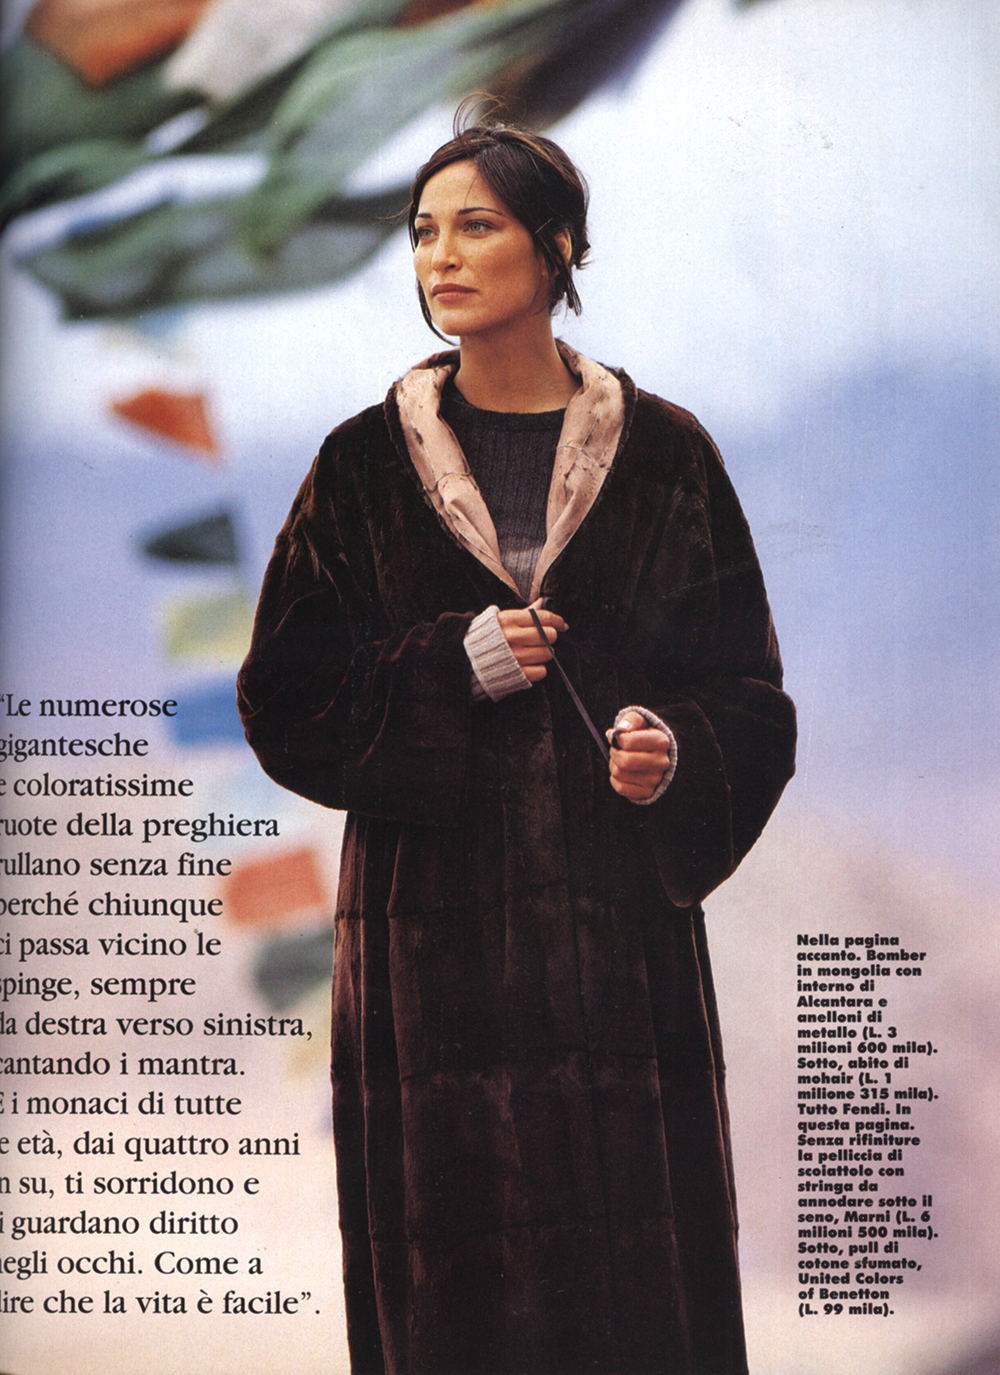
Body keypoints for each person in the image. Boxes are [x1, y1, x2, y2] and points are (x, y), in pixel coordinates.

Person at [237, 110, 796, 1375]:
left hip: (618, 960)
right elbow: (281, 697)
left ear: (557, 249)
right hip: (427, 966)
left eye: (475, 226)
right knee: (453, 1302)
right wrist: (451, 665)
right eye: (422, 231)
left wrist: (676, 749)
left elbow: (751, 696)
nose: (439, 255)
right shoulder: (359, 468)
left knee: (636, 1307)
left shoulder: (665, 456)